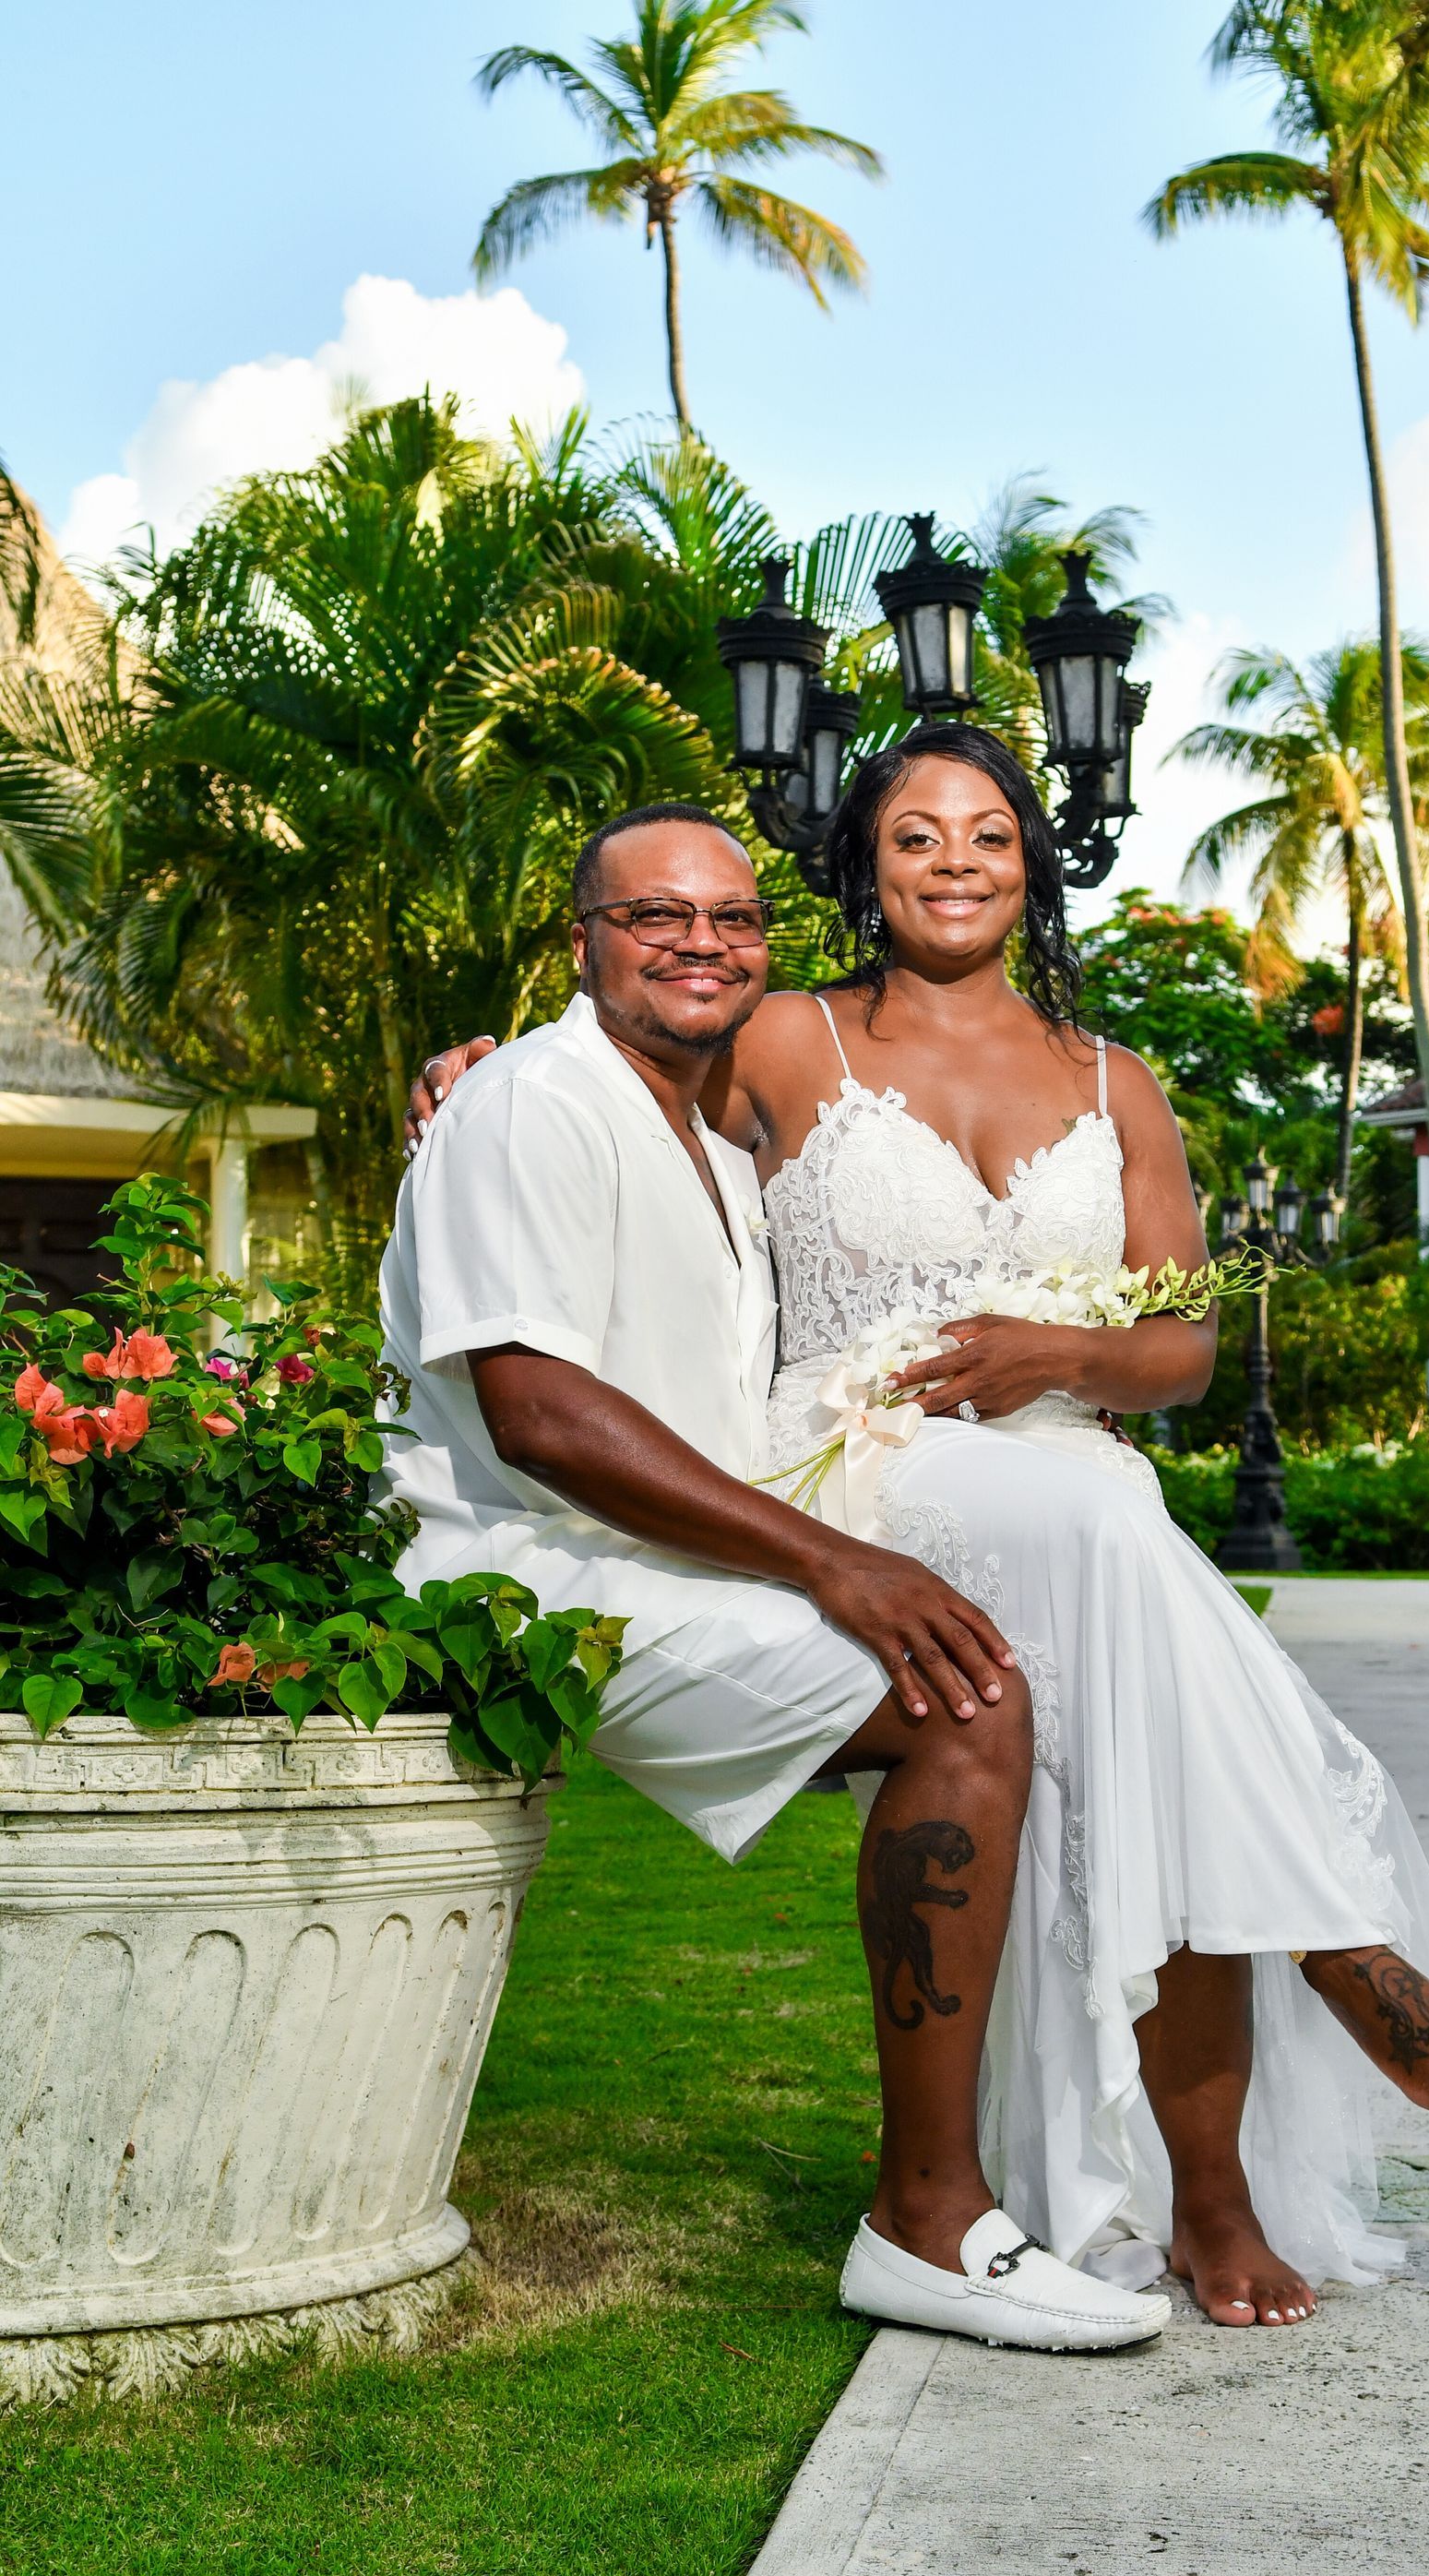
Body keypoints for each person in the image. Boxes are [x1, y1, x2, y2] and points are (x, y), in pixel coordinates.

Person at [409, 733, 1429, 2329]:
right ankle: (1335, 1958)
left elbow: (1183, 1351)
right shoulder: (785, 1034)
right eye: (917, 835)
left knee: (1133, 1712)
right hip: (860, 1461)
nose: (954, 861)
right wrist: (479, 1062)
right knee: (1116, 1543)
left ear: (1033, 863)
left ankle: (1209, 2182)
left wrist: (1061, 1357)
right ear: (864, 866)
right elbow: (614, 1074)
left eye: (990, 835)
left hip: (1070, 1473)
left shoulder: (1112, 1078)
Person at [379, 799, 1171, 2355]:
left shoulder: (705, 1138)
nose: (698, 943)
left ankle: (1025, 2187)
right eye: (656, 916)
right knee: (970, 1705)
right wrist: (837, 1565)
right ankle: (929, 2228)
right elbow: (536, 1412)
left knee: (995, 1681)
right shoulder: (535, 1101)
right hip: (530, 1579)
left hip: (664, 1561)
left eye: (730, 920)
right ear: (589, 940)